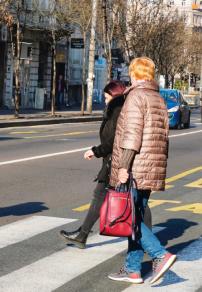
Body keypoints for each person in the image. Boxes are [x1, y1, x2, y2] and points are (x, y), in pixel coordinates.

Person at [107, 57, 176, 285]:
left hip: (136, 166)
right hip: (151, 167)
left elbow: (132, 136)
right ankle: (133, 269)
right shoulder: (158, 97)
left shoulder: (136, 96)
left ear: (135, 74)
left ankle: (159, 255)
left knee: (128, 219)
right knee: (134, 217)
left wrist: (123, 167)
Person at [59, 80, 127, 248]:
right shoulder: (117, 109)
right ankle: (82, 234)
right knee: (101, 195)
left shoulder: (117, 109)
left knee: (127, 200)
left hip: (115, 160)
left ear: (114, 95)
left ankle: (149, 246)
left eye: (106, 97)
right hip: (112, 160)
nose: (105, 101)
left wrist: (96, 151)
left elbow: (114, 139)